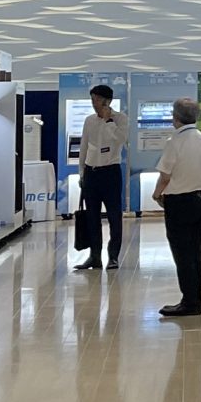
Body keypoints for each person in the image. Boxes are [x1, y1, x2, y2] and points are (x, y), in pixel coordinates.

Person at [154, 98, 201, 319]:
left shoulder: (174, 142)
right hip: (199, 199)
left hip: (179, 202)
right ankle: (195, 298)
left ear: (175, 117)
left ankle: (189, 301)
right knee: (196, 250)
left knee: (182, 252)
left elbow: (165, 176)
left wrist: (157, 194)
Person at [76, 84, 130, 270]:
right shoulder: (89, 121)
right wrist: (82, 172)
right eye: (92, 100)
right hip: (91, 172)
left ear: (108, 101)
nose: (94, 103)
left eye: (98, 100)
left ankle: (113, 256)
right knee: (92, 216)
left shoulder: (120, 119)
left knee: (114, 216)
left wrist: (108, 121)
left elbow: (119, 140)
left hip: (110, 172)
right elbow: (84, 147)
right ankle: (94, 256)